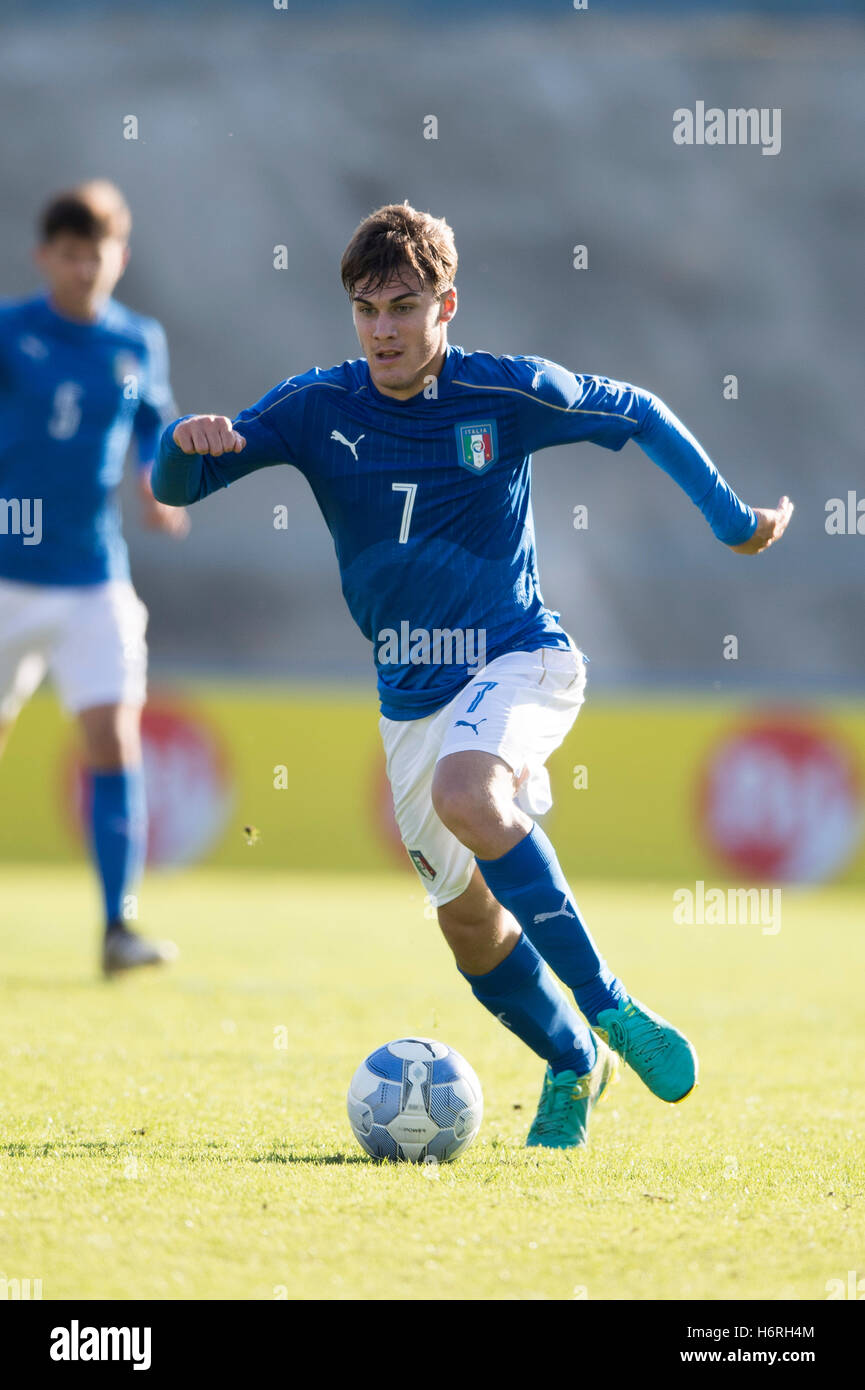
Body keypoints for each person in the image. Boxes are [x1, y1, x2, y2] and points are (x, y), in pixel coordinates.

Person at [152, 203, 793, 1147]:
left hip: (520, 657)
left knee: (469, 788)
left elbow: (641, 414)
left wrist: (732, 520)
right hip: (407, 700)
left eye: (403, 307)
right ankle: (576, 1061)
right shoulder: (316, 408)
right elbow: (178, 491)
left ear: (445, 306)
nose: (382, 330)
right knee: (468, 926)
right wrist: (181, 446)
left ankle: (612, 1005)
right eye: (365, 309)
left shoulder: (506, 393)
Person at [0, 180, 188, 976]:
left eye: (98, 254)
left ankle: (119, 928)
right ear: (46, 257)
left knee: (113, 739)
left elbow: (154, 428)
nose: (85, 269)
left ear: (121, 257)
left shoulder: (137, 340)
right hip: (7, 572)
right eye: (71, 255)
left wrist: (157, 481)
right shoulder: (11, 333)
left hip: (93, 575)